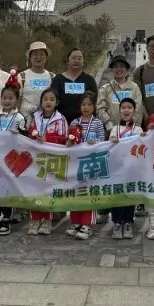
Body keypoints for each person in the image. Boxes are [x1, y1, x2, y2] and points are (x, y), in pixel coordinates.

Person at [27, 88, 68, 235]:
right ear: (41, 102)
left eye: (51, 99)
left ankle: (47, 220)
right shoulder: (35, 117)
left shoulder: (61, 119)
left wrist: (47, 138)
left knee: (49, 190)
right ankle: (35, 219)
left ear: (57, 102)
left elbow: (64, 139)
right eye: (45, 99)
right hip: (37, 159)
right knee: (35, 190)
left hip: (52, 159)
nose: (48, 102)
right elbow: (30, 134)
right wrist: (35, 137)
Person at [0, 83, 26, 236]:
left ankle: (6, 218)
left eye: (10, 98)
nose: (7, 101)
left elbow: (25, 137)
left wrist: (19, 133)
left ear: (16, 100)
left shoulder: (20, 118)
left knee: (7, 188)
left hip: (11, 159)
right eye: (4, 98)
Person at [66, 92, 104, 240]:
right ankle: (75, 221)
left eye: (89, 104)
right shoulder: (74, 122)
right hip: (77, 164)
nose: (86, 107)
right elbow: (69, 140)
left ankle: (87, 224)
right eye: (83, 104)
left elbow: (103, 141)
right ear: (79, 106)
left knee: (90, 192)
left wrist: (96, 142)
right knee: (76, 191)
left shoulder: (98, 123)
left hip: (92, 163)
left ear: (94, 106)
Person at [108, 97, 143, 239]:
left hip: (132, 168)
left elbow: (142, 147)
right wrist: (112, 141)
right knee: (117, 195)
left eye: (129, 107)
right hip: (117, 168)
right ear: (119, 111)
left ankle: (128, 221)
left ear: (134, 111)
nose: (126, 110)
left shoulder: (139, 129)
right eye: (123, 108)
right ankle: (117, 222)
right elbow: (109, 147)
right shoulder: (115, 129)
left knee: (129, 194)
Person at [50, 48, 98, 122]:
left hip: (84, 123)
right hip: (61, 122)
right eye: (73, 58)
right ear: (68, 61)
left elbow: (95, 102)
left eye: (79, 58)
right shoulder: (58, 79)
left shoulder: (89, 80)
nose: (76, 61)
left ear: (83, 61)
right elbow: (52, 101)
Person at [97, 55, 144, 130]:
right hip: (111, 130)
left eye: (122, 66)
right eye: (116, 66)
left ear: (126, 69)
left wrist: (133, 126)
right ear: (112, 69)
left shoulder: (134, 87)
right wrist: (109, 125)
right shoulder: (105, 89)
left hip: (130, 130)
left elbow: (138, 109)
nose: (119, 69)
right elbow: (100, 109)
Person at [20, 41, 55, 117]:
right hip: (25, 119)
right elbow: (16, 99)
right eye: (35, 54)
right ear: (30, 57)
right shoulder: (21, 76)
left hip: (46, 119)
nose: (38, 57)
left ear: (46, 57)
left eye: (42, 54)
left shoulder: (52, 77)